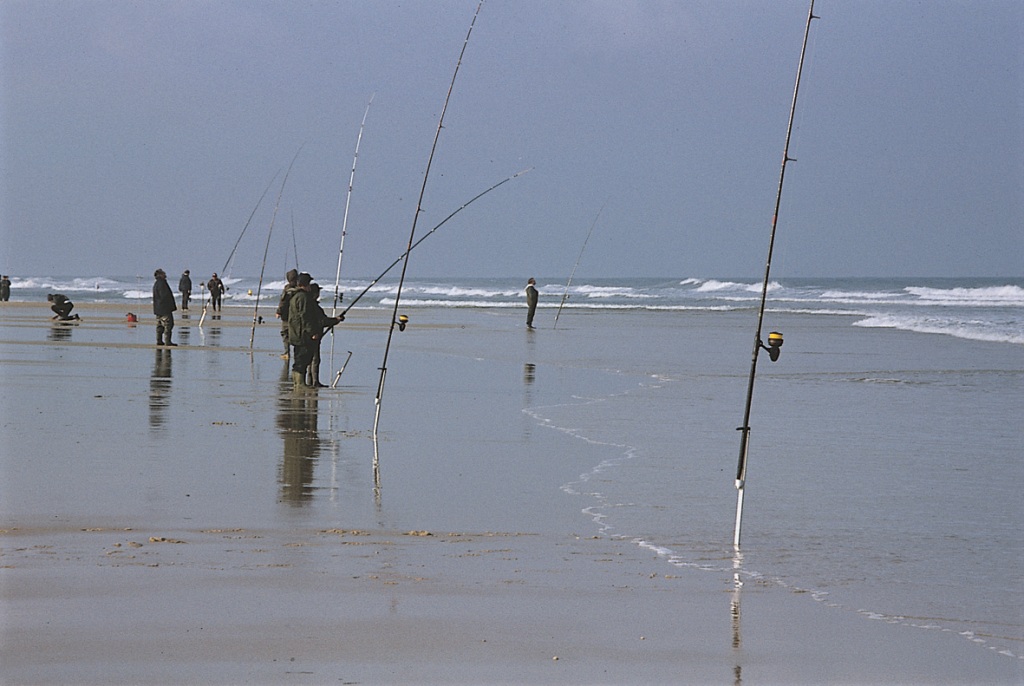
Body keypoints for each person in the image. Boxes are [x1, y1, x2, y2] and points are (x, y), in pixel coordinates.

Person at [306, 282, 343, 387]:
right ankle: (314, 382)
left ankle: (311, 381)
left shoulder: (310, 304)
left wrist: (335, 320)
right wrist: (336, 320)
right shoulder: (314, 306)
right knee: (315, 359)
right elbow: (322, 321)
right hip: (313, 336)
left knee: (310, 359)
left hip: (310, 335)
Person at [287, 273, 320, 389]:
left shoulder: (294, 296)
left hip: (295, 333)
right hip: (302, 335)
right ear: (306, 285)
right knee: (302, 361)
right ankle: (300, 384)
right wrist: (312, 332)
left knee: (298, 361)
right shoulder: (303, 297)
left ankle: (297, 383)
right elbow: (305, 317)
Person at [275, 269, 299, 360]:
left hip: (286, 316)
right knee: (296, 335)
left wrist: (278, 312)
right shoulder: (299, 288)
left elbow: (283, 302)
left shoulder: (287, 289)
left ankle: (287, 352)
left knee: (285, 334)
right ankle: (296, 353)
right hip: (297, 316)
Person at [152, 268, 177, 346]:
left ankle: (159, 340)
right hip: (164, 308)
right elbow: (165, 296)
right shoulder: (162, 283)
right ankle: (167, 341)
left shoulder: (156, 283)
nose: (165, 275)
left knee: (160, 325)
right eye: (163, 274)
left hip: (158, 308)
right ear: (160, 275)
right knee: (168, 325)